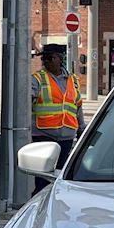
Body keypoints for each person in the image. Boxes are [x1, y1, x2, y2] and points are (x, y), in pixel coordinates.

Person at [31, 43, 83, 192]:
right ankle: (39, 202)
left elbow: (77, 106)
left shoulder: (73, 80)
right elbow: (26, 101)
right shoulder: (38, 79)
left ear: (59, 59)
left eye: (49, 58)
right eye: (43, 59)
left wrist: (82, 128)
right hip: (43, 135)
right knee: (42, 178)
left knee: (60, 177)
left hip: (66, 136)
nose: (45, 61)